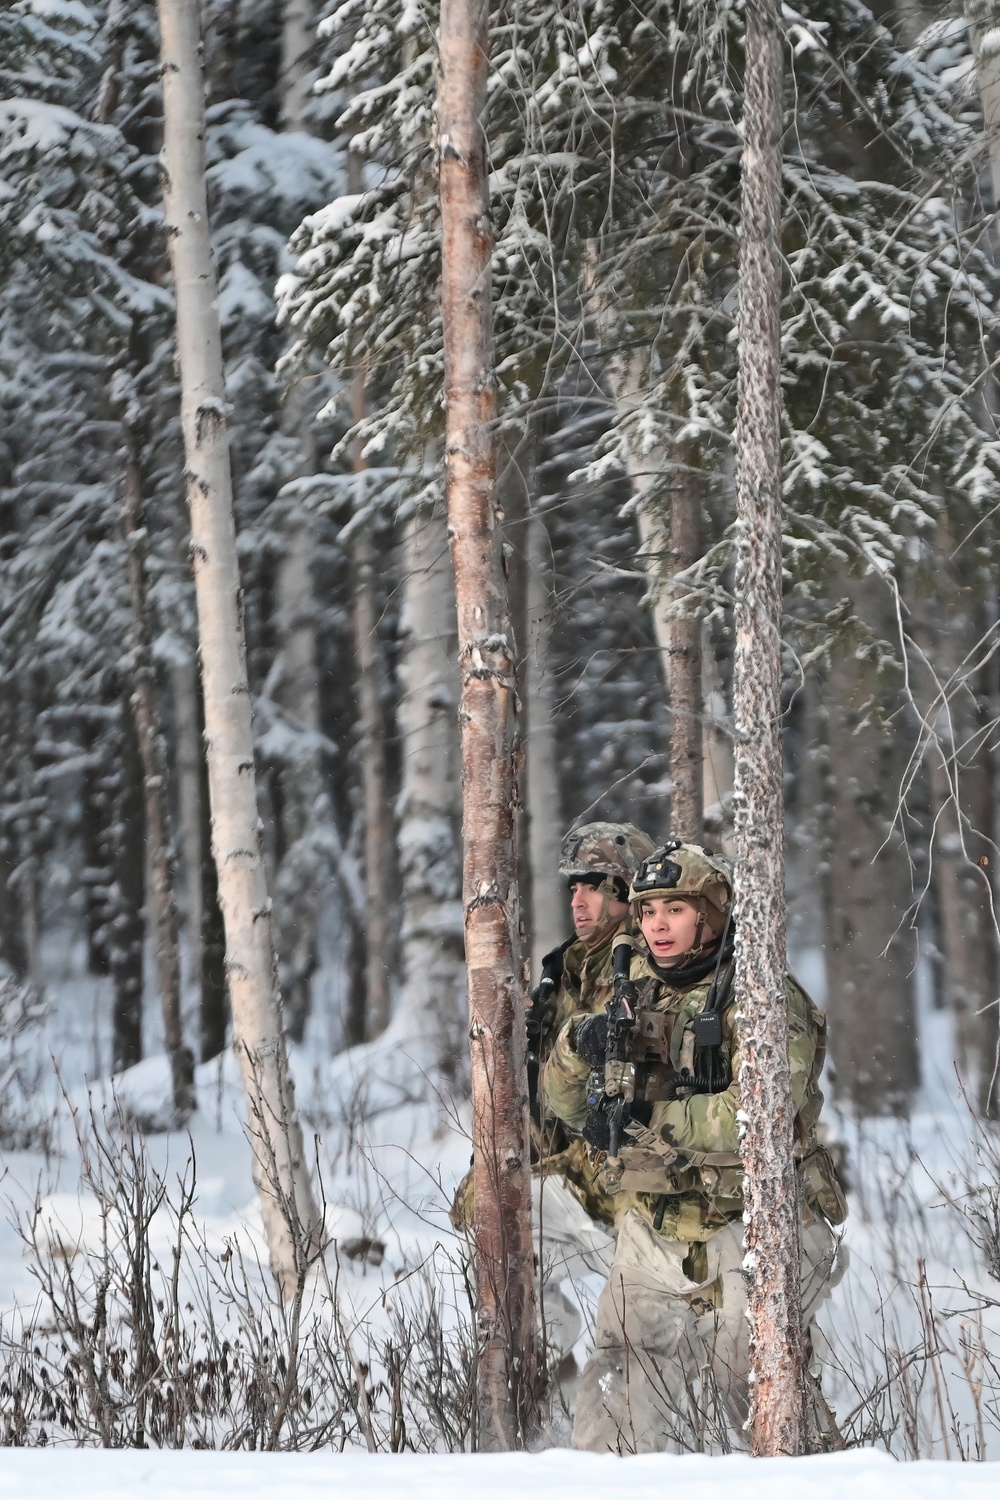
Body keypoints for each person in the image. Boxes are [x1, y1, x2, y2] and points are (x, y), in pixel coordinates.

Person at [543, 840, 847, 1452]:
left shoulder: (761, 994)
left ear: (709, 914)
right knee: (617, 1379)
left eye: (675, 909)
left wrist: (643, 1117)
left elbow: (757, 1116)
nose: (657, 923)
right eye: (648, 908)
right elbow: (566, 1107)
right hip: (655, 1225)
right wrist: (580, 1044)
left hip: (755, 1224)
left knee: (753, 1384)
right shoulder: (630, 992)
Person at [451, 821, 657, 1358]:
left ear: (626, 890)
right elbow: (546, 1096)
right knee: (493, 1222)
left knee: (665, 1353)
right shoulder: (564, 969)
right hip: (586, 1185)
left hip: (636, 1187)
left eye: (593, 883)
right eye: (573, 886)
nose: (579, 898)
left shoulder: (649, 967)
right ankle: (543, 1386)